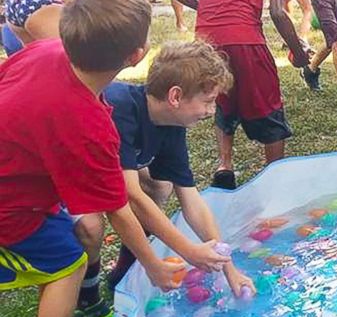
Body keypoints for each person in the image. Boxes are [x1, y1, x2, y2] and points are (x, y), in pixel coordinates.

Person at [0, 0, 183, 317]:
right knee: (67, 265)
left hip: (21, 183)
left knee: (77, 236)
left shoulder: (43, 52)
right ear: (137, 55)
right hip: (10, 205)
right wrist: (153, 266)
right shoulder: (88, 124)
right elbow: (119, 209)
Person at [168, 0, 310, 190]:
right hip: (247, 43)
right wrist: (299, 54)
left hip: (206, 44)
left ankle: (225, 165)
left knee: (223, 100)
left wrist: (204, 6)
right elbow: (276, 12)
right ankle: (274, 176)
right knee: (269, 110)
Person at [101, 41, 254, 298]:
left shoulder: (171, 124)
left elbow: (191, 199)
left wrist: (228, 267)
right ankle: (88, 297)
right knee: (90, 225)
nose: (212, 110)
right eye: (208, 101)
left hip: (111, 171)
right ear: (175, 96)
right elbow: (130, 196)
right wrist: (189, 250)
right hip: (58, 174)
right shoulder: (119, 110)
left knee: (160, 185)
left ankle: (125, 267)